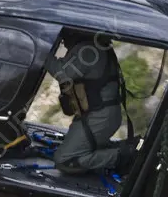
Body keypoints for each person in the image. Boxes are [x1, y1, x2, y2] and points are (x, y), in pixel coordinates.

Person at [43, 32, 136, 175]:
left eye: (63, 38)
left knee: (65, 160)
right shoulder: (94, 46)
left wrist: (42, 52)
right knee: (80, 148)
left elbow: (63, 73)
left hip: (99, 117)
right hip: (99, 115)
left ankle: (125, 156)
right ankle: (122, 149)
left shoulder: (88, 50)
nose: (64, 43)